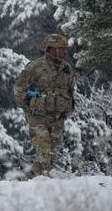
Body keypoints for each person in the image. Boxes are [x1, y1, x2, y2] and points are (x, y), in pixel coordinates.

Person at [14, 33, 75, 178]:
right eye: (61, 49)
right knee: (44, 150)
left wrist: (67, 109)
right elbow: (18, 89)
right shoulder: (34, 68)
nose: (65, 52)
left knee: (52, 156)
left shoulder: (66, 70)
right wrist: (29, 99)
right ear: (50, 49)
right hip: (37, 118)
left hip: (57, 118)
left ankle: (38, 181)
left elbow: (71, 92)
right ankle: (33, 181)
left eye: (65, 49)